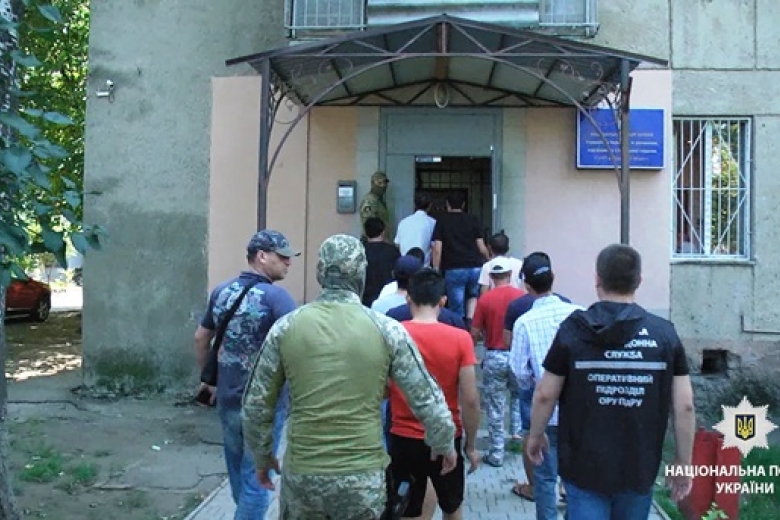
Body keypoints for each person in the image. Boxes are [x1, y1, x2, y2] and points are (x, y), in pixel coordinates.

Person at [242, 234, 457, 520]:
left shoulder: (286, 327)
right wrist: (444, 444)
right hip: (362, 478)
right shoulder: (387, 330)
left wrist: (262, 455)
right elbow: (427, 398)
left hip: (304, 475)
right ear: (361, 274)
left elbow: (256, 404)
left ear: (320, 272)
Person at [525, 244, 696, 520]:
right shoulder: (664, 334)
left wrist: (536, 435)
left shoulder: (572, 331)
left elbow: (545, 394)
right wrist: (683, 461)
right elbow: (684, 405)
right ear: (638, 280)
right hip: (638, 465)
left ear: (597, 278)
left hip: (584, 465)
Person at [193, 230, 298, 520]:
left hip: (228, 397)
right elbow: (298, 346)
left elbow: (201, 338)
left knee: (239, 471)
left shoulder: (221, 291)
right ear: (262, 256)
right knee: (258, 479)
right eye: (282, 256)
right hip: (265, 404)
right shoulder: (278, 298)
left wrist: (209, 379)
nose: (288, 262)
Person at [389, 268, 482, 520]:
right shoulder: (460, 338)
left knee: (405, 507)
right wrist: (471, 445)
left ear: (408, 298)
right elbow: (470, 399)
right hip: (446, 434)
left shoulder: (395, 334)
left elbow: (383, 387)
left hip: (403, 435)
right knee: (452, 506)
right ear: (443, 300)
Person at [509, 253, 581, 519]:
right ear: (553, 278)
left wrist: (536, 382)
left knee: (544, 477)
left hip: (545, 411)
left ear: (526, 286)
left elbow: (519, 371)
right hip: (580, 411)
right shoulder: (579, 314)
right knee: (576, 479)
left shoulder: (524, 323)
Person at [470, 264, 525, 467]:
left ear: (491, 277)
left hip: (495, 355)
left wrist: (472, 349)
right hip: (518, 355)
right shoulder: (521, 297)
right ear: (510, 275)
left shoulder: (485, 299)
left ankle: (497, 452)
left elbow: (475, 331)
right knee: (519, 397)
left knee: (495, 405)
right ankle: (518, 437)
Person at [431, 191, 489, 324]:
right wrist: (489, 259)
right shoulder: (473, 219)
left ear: (447, 204)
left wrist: (436, 268)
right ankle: (470, 324)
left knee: (457, 303)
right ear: (463, 204)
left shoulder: (442, 221)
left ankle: (459, 326)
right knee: (473, 296)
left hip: (454, 267)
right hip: (475, 266)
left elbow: (437, 248)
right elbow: (481, 246)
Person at [362, 217, 400, 307]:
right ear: (383, 231)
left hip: (366, 298)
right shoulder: (393, 251)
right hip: (388, 298)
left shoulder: (360, 251)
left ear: (365, 232)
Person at [395, 192, 437, 266]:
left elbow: (397, 244)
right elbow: (435, 247)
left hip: (405, 265)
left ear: (414, 204)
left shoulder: (403, 222)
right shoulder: (432, 223)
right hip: (424, 267)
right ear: (430, 205)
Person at [360, 170, 392, 239]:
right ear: (373, 184)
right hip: (373, 240)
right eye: (380, 183)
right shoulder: (370, 201)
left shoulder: (379, 201)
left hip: (380, 239)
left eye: (385, 183)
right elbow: (369, 225)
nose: (383, 185)